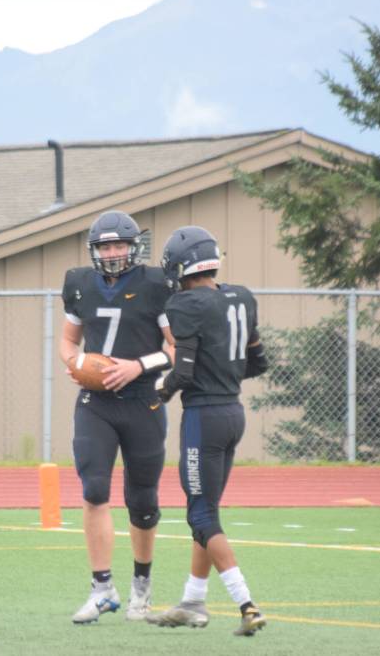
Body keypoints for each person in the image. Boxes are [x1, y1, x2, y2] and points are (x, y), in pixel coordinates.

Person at [146, 225, 269, 637]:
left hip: (204, 418)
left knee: (200, 513)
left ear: (181, 265)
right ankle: (193, 601)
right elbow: (257, 363)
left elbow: (181, 372)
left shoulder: (185, 304)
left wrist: (159, 391)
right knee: (206, 513)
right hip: (234, 412)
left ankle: (246, 604)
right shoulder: (242, 296)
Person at [59, 210, 175, 623]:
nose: (111, 252)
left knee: (142, 501)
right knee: (93, 488)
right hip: (97, 403)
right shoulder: (78, 284)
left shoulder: (157, 284)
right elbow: (68, 339)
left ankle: (141, 587)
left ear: (133, 246)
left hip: (143, 399)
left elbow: (177, 349)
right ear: (94, 250)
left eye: (118, 245)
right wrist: (76, 364)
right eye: (104, 246)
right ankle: (102, 588)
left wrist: (137, 366)